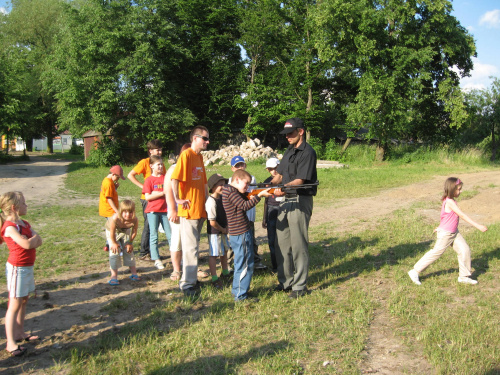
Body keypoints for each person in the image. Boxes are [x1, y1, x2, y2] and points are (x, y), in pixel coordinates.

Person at [408, 177, 487, 286]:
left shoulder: (450, 201)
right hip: (446, 234)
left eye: (460, 189)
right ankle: (415, 271)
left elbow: (444, 217)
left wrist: (439, 226)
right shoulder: (449, 202)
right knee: (436, 252)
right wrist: (478, 226)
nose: (460, 191)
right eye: (458, 189)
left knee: (464, 250)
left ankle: (464, 277)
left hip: (454, 233)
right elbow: (462, 215)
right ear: (451, 189)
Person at [270, 118, 317, 299]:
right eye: (286, 134)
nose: (287, 137)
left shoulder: (308, 152)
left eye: (290, 133)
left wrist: (282, 189)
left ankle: (300, 285)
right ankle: (285, 282)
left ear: (301, 132)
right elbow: (279, 175)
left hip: (299, 199)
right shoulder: (289, 151)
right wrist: (264, 186)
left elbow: (300, 181)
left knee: (298, 244)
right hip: (285, 200)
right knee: (281, 243)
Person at [0, 192, 43, 357]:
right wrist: (31, 240)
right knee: (14, 304)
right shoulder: (10, 227)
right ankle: (10, 343)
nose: (27, 205)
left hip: (27, 267)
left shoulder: (23, 223)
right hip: (17, 269)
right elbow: (26, 244)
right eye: (24, 203)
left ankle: (20, 333)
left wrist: (32, 239)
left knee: (24, 300)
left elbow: (38, 239)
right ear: (14, 207)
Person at [171, 126, 210, 297]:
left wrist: (208, 202)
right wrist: (177, 199)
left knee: (194, 247)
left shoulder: (199, 157)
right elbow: (175, 178)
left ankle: (192, 279)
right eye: (204, 138)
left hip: (200, 209)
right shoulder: (186, 155)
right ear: (195, 138)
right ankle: (186, 284)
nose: (207, 142)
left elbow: (203, 183)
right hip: (188, 210)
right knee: (190, 248)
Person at [222, 169, 271, 302]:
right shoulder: (231, 192)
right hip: (241, 233)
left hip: (237, 233)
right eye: (246, 183)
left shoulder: (228, 189)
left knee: (240, 263)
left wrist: (254, 193)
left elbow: (242, 201)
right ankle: (240, 295)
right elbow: (245, 205)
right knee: (245, 264)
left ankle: (237, 291)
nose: (248, 186)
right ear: (237, 180)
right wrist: (259, 196)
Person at [127, 139, 164, 261]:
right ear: (150, 151)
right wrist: (143, 187)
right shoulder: (145, 162)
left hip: (159, 199)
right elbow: (130, 175)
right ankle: (144, 253)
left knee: (155, 226)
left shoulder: (160, 163)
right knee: (149, 226)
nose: (159, 152)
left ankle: (150, 250)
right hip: (147, 199)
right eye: (157, 149)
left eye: (160, 149)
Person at [229, 156, 266, 270]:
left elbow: (250, 194)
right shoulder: (231, 180)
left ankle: (255, 260)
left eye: (242, 165)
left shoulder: (251, 178)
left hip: (249, 215)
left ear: (245, 165)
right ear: (232, 168)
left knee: (251, 239)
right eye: (237, 166)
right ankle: (230, 263)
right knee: (233, 241)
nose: (240, 167)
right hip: (236, 216)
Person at [164, 143, 191, 281]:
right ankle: (176, 270)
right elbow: (167, 189)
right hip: (178, 211)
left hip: (190, 211)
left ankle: (190, 267)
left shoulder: (192, 168)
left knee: (190, 241)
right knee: (177, 240)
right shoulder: (174, 168)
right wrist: (173, 210)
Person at [142, 155, 172, 270]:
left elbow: (169, 191)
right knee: (154, 235)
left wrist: (158, 192)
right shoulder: (149, 180)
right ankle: (156, 258)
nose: (160, 166)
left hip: (165, 210)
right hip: (153, 211)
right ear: (151, 166)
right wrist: (161, 193)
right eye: (158, 164)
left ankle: (175, 255)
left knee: (170, 235)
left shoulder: (165, 178)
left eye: (161, 164)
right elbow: (148, 197)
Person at [205, 173, 231, 289]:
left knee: (224, 251)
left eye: (224, 184)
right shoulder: (211, 202)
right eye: (220, 185)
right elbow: (212, 222)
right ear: (213, 187)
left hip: (223, 230)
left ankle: (225, 272)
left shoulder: (221, 198)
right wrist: (223, 230)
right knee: (214, 254)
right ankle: (214, 278)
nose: (223, 187)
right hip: (215, 232)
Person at [106, 200, 140, 285]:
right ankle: (113, 276)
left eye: (130, 212)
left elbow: (134, 232)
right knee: (115, 251)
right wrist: (114, 243)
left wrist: (130, 243)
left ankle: (134, 274)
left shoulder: (134, 220)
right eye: (125, 212)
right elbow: (112, 232)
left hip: (125, 231)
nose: (128, 215)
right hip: (112, 232)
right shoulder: (115, 218)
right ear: (121, 211)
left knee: (129, 250)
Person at [262, 157, 282, 273]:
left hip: (283, 208)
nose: (273, 171)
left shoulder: (286, 180)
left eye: (275, 168)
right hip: (271, 210)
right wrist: (264, 217)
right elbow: (266, 201)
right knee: (272, 240)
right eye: (270, 169)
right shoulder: (267, 182)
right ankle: (275, 266)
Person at [99, 165, 125, 251]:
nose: (118, 179)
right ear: (113, 174)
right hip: (109, 210)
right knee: (113, 228)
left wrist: (115, 188)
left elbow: (110, 193)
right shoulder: (109, 183)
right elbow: (109, 199)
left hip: (107, 209)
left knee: (111, 227)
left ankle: (108, 244)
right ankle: (113, 245)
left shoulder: (107, 181)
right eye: (117, 177)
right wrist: (116, 211)